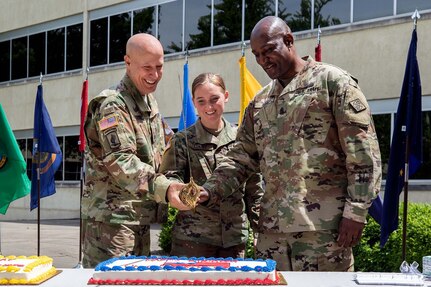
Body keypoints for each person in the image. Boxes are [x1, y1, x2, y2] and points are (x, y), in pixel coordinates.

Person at [169, 16, 382, 271]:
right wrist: (210, 190)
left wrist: (356, 212)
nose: (262, 61)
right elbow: (240, 157)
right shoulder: (260, 102)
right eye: (257, 55)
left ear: (289, 41)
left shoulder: (333, 84)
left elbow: (363, 155)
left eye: (268, 50)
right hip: (272, 236)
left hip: (323, 233)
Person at [81, 33, 173, 268]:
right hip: (112, 225)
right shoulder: (113, 104)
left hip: (137, 218)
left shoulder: (148, 101)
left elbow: (167, 145)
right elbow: (121, 162)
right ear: (128, 62)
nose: (154, 75)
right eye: (147, 67)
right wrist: (167, 188)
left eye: (159, 67)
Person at [156, 73, 263, 258]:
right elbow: (169, 178)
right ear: (194, 102)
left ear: (226, 96)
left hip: (234, 240)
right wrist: (180, 191)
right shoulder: (182, 141)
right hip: (192, 240)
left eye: (215, 99)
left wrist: (259, 230)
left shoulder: (242, 139)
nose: (209, 107)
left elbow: (254, 190)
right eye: (202, 101)